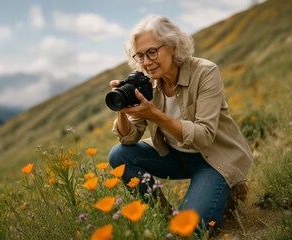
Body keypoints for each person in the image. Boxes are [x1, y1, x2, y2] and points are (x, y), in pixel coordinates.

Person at [108, 15, 254, 229]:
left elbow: (203, 137)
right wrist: (122, 109)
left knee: (189, 230)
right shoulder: (146, 81)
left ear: (173, 47)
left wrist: (155, 115)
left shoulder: (205, 72)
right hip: (175, 156)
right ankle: (163, 219)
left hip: (212, 160)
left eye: (152, 52)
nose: (146, 62)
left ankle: (228, 188)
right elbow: (129, 138)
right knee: (119, 155)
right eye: (140, 55)